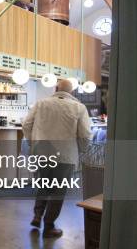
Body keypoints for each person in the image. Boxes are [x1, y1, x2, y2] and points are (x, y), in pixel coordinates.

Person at [22, 79, 92, 238]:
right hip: (66, 155)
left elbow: (26, 125)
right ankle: (49, 226)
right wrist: (80, 150)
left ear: (55, 88)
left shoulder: (41, 103)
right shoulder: (79, 108)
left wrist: (34, 143)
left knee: (44, 184)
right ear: (71, 92)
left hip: (43, 152)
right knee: (58, 191)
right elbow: (85, 135)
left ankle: (37, 215)